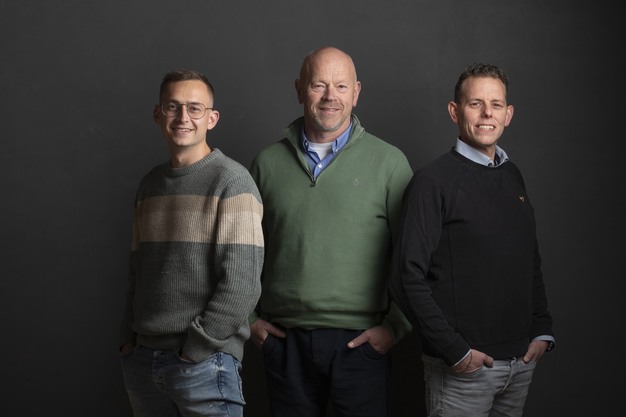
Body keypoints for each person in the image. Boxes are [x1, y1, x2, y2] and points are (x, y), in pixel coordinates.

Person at [248, 46, 413, 417]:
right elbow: (240, 254)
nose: (330, 96)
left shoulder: (389, 164)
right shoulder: (266, 165)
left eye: (340, 86)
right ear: (299, 89)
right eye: (318, 84)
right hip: (283, 343)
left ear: (356, 92)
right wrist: (249, 323)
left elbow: (414, 258)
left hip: (361, 344)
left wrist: (395, 328)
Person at [389, 63, 555, 417]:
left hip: (520, 365)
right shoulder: (432, 182)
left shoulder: (512, 175)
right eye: (475, 104)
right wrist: (454, 350)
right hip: (464, 371)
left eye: (496, 105)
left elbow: (529, 259)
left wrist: (541, 329)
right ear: (455, 111)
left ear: (508, 114)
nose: (486, 114)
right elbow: (405, 277)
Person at [119, 69, 264, 417]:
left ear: (211, 118)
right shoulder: (150, 185)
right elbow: (138, 273)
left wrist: (195, 350)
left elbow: (241, 285)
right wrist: (128, 339)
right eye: (173, 106)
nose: (183, 117)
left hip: (203, 363)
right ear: (158, 115)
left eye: (195, 108)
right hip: (142, 361)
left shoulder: (232, 181)